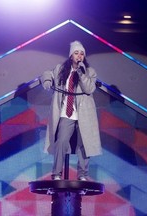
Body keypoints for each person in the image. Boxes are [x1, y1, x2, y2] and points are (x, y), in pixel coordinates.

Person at [40, 40, 102, 181]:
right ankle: (56, 173)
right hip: (66, 112)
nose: (79, 56)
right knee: (61, 141)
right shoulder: (61, 69)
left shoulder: (90, 72)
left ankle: (82, 174)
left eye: (82, 54)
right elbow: (46, 73)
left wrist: (81, 74)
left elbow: (89, 88)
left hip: (84, 113)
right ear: (71, 56)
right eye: (76, 53)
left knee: (84, 143)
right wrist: (47, 81)